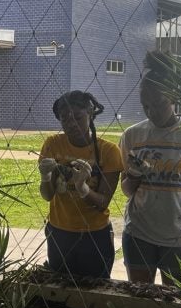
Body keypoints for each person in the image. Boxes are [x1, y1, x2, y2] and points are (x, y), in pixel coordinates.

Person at [120, 69, 181, 283]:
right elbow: (127, 191)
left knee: (174, 303)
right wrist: (135, 174)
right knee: (139, 299)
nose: (152, 112)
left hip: (179, 235)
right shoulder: (132, 135)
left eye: (159, 104)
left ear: (174, 98)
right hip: (139, 232)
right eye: (145, 106)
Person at [38, 90, 123, 278]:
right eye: (64, 119)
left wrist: (82, 188)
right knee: (60, 292)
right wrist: (45, 177)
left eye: (77, 117)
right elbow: (47, 195)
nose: (71, 124)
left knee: (95, 291)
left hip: (94, 234)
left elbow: (102, 202)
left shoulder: (109, 151)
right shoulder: (53, 143)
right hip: (59, 231)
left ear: (90, 113)